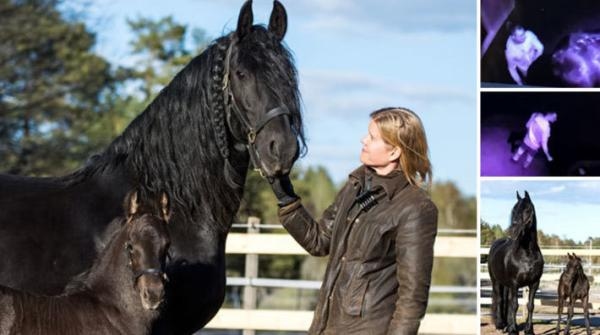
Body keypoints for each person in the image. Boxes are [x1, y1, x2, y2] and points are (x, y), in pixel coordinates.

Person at [269, 107, 438, 335]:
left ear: (394, 152)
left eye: (373, 137)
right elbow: (319, 241)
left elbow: (413, 297)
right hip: (326, 326)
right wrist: (286, 197)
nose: (363, 140)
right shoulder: (355, 185)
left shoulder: (416, 208)